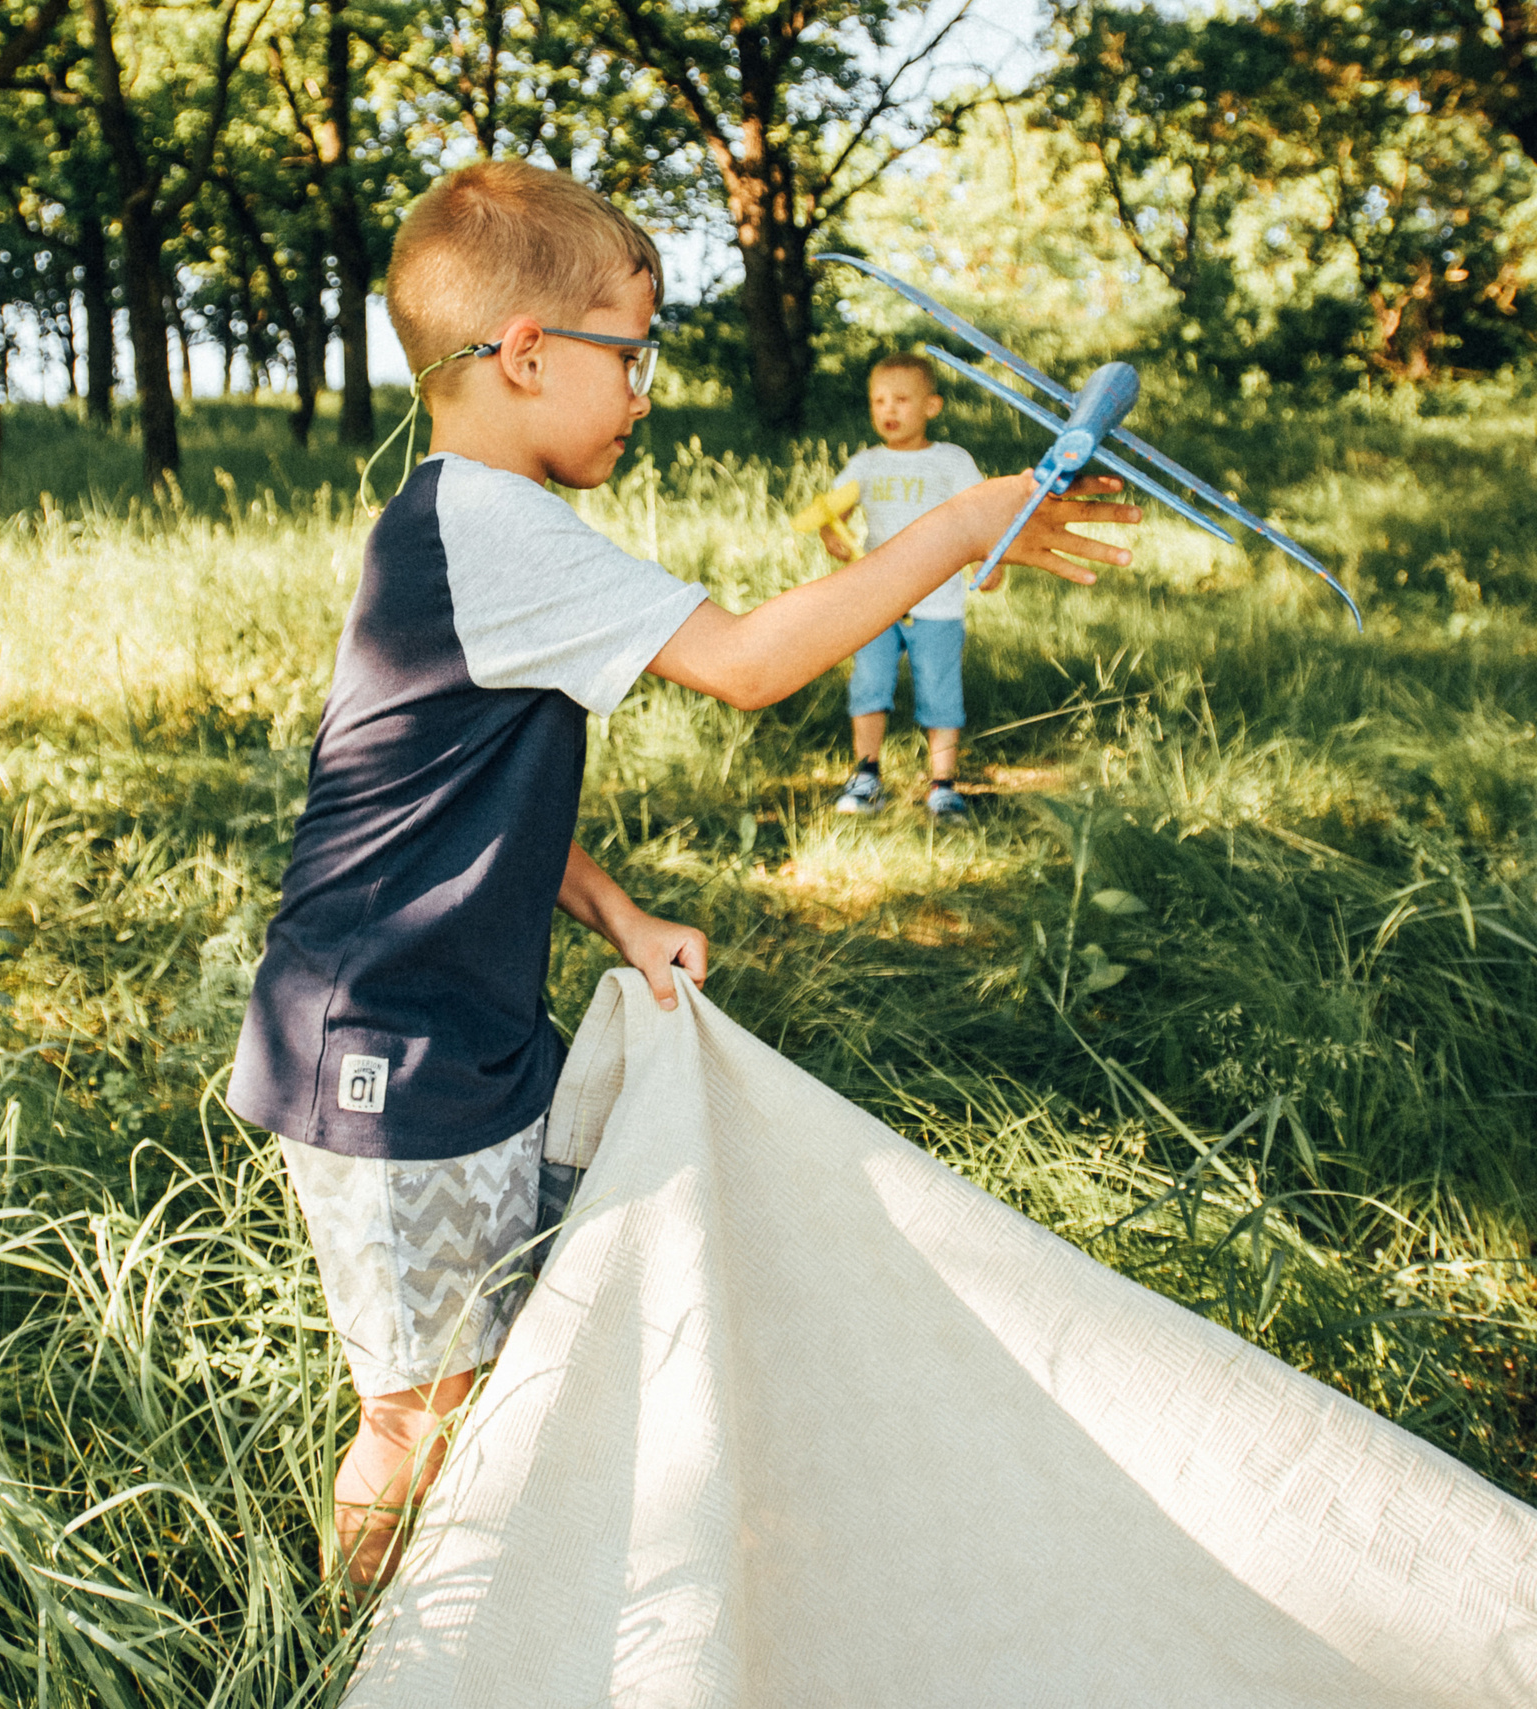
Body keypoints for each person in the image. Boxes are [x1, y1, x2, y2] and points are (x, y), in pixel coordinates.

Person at [224, 159, 1137, 1594]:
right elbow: (754, 664)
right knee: (417, 1407)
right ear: (528, 355)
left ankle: (484, 1619)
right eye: (632, 355)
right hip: (379, 1048)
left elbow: (452, 794)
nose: (645, 391)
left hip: (448, 1021)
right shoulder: (492, 522)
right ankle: (364, 1647)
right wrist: (962, 524)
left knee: (487, 1367)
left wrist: (618, 911)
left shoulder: (458, 519)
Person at [822, 355, 1000, 821]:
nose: (889, 410)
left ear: (932, 406)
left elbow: (981, 516)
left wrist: (989, 559)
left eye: (901, 399)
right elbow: (830, 511)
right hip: (877, 601)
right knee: (869, 685)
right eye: (878, 401)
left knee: (941, 693)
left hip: (938, 603)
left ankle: (942, 785)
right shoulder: (866, 464)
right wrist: (831, 534)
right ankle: (866, 776)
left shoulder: (950, 460)